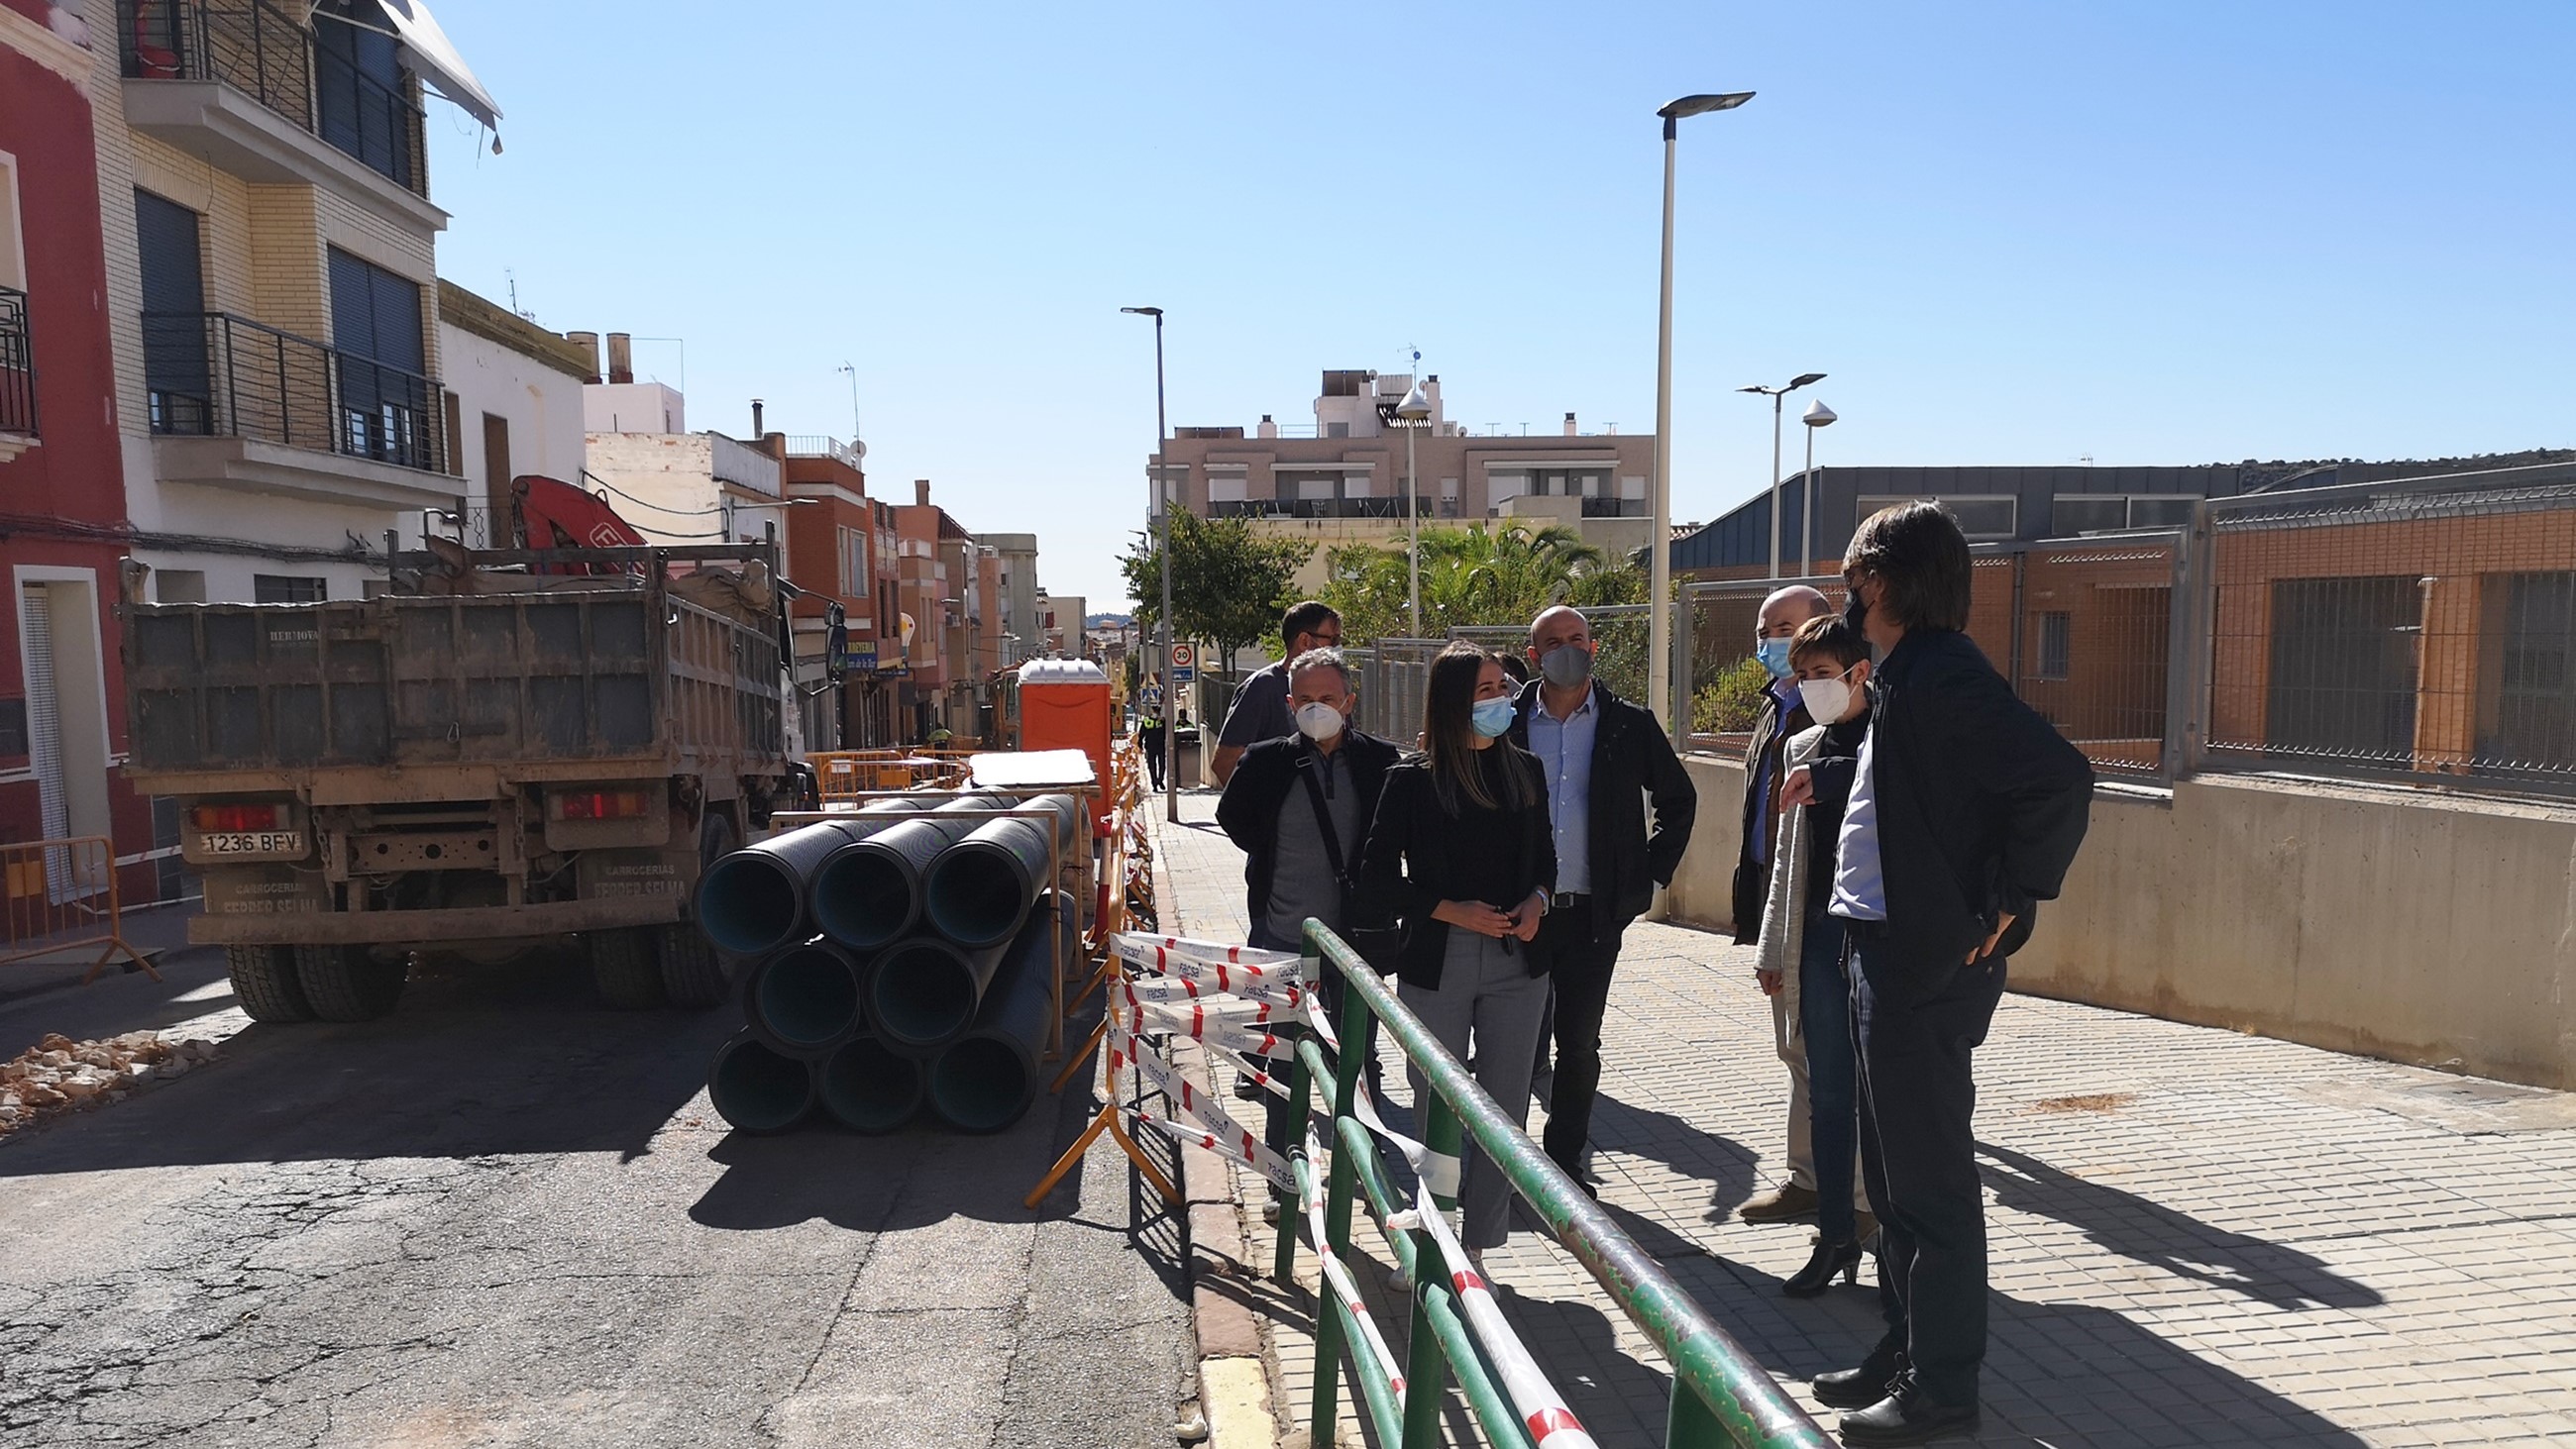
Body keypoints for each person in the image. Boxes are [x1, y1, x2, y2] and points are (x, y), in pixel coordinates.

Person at [1810, 502, 2093, 1447]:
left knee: (1927, 1182)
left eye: (1852, 578)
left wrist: (2013, 895)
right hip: (1876, 948)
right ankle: (1905, 1349)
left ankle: (1945, 1389)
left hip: (1922, 963)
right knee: (1889, 1181)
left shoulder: (1939, 674)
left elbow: (2058, 777)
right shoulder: (1900, 678)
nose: (1846, 595)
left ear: (1879, 584)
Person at [1354, 642, 1555, 1267]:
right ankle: (1434, 1239)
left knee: (1504, 1112)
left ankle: (1482, 1247)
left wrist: (1538, 903)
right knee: (1436, 1104)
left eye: (1503, 687)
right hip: (1437, 960)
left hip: (1518, 963)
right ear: (1451, 701)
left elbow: (1547, 859)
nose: (1500, 699)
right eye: (1485, 690)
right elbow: (1374, 877)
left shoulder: (1526, 770)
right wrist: (1449, 909)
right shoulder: (1411, 782)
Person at [1510, 606, 1697, 1193]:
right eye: (1551, 642)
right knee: (1508, 1045)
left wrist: (1645, 877)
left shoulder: (1627, 724)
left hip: (1593, 917)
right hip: (1519, 914)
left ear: (1592, 648)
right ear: (1534, 654)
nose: (1565, 649)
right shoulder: (1508, 721)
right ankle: (1504, 1163)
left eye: (1575, 639)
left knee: (1579, 1044)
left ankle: (1564, 1165)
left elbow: (1679, 801)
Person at [1215, 648, 1399, 1212]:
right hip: (1282, 944)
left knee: (1358, 1065)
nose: (1318, 708)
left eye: (1329, 697)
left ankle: (1364, 1175)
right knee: (1285, 1068)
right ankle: (1284, 1176)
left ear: (1350, 700)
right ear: (1290, 704)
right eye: (1307, 700)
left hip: (1356, 947)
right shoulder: (1266, 762)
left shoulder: (1382, 763)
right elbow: (1234, 820)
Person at [1759, 613, 1878, 1296]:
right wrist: (1776, 943)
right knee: (1828, 1094)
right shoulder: (1800, 745)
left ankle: (1887, 1233)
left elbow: (1877, 774)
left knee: (1884, 1098)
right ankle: (1836, 1235)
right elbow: (1787, 863)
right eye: (1802, 676)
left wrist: (1829, 776)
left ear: (1860, 671)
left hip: (1884, 940)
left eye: (1822, 674)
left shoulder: (1892, 738)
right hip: (1822, 938)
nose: (1810, 687)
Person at [1732, 584, 1834, 1225]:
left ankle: (1842, 1199)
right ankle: (1808, 1179)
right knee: (1795, 1052)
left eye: (1787, 627)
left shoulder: (1831, 715)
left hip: (1820, 915)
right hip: (1780, 904)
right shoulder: (1778, 709)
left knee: (1819, 1055)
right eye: (1766, 630)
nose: (1773, 642)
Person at [1214, 601, 1343, 784]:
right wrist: (1265, 809)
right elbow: (1225, 763)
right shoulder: (1262, 687)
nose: (1337, 648)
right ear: (1305, 641)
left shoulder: (1337, 686)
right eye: (1334, 640)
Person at [1136, 673, 1167, 792]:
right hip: (1158, 747)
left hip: (1152, 746)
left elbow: (1141, 734)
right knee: (1160, 765)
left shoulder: (1150, 720)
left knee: (1154, 766)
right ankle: (1157, 782)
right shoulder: (1160, 721)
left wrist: (1140, 744)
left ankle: (1157, 782)